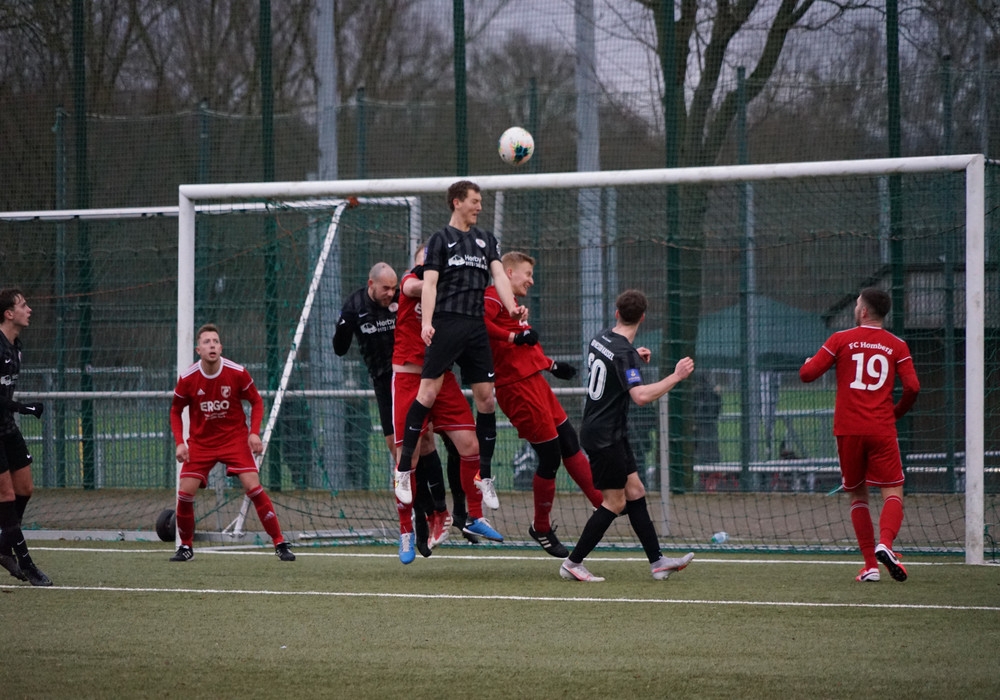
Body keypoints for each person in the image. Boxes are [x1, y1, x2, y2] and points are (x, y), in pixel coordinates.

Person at [393, 180, 526, 511]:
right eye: (474, 201)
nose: (480, 206)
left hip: (475, 327)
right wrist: (427, 323)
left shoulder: (486, 240)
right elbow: (430, 284)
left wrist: (511, 307)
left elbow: (499, 276)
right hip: (447, 324)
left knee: (487, 400)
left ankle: (485, 476)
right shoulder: (440, 240)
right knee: (427, 394)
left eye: (480, 201)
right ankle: (403, 470)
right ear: (457, 202)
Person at [560, 289, 695, 582]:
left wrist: (634, 356)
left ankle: (658, 562)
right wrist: (676, 376)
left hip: (608, 432)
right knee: (615, 502)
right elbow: (641, 396)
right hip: (604, 437)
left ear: (617, 313)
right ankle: (572, 562)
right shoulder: (625, 354)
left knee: (635, 492)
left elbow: (613, 360)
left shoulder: (600, 338)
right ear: (643, 318)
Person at [484, 251, 603, 557]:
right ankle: (541, 527)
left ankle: (602, 503)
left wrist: (552, 365)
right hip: (516, 389)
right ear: (508, 273)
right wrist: (513, 338)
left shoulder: (514, 306)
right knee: (550, 456)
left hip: (535, 383)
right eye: (527, 274)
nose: (531, 280)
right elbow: (483, 327)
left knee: (569, 441)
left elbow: (525, 345)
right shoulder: (493, 296)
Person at [800, 287, 919, 583]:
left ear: (863, 311)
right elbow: (913, 387)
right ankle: (885, 544)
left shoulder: (840, 339)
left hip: (848, 430)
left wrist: (807, 364)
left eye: (856, 305)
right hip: (881, 429)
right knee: (893, 491)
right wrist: (895, 413)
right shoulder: (897, 345)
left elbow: (807, 375)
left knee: (857, 494)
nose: (855, 309)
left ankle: (870, 567)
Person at [393, 245, 502, 561]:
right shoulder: (412, 282)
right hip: (409, 379)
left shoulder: (451, 297)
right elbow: (415, 286)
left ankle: (474, 516)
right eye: (425, 261)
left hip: (442, 377)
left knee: (470, 444)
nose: (430, 266)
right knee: (408, 457)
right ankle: (406, 531)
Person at [169, 323, 295, 562]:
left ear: (221, 347)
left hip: (234, 440)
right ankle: (185, 546)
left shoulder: (236, 372)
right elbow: (175, 410)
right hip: (202, 443)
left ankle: (280, 542)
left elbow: (256, 401)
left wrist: (254, 433)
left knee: (253, 487)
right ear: (198, 350)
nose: (212, 345)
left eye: (215, 341)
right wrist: (180, 442)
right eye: (206, 342)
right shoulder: (188, 378)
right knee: (185, 492)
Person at [0, 288, 52, 586]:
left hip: (6, 426)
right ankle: (26, 563)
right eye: (23, 305)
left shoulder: (15, 346)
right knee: (5, 496)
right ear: (9, 313)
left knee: (25, 488)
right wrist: (23, 407)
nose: (29, 309)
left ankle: (3, 544)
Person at [333, 262, 399, 462]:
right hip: (382, 379)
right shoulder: (354, 306)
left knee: (422, 439)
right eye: (385, 288)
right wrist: (343, 327)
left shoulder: (401, 298)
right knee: (394, 444)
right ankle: (408, 480)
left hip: (407, 374)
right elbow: (339, 349)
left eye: (394, 288)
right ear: (371, 284)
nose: (390, 293)